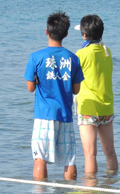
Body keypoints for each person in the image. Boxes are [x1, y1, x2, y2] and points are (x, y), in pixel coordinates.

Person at [24, 11, 84, 181]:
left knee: (40, 157)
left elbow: (30, 88)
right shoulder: (73, 58)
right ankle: (69, 192)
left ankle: (40, 193)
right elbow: (76, 90)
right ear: (66, 34)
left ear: (47, 31)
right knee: (69, 159)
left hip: (44, 114)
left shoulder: (36, 57)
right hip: (65, 115)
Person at [75, 14, 118, 177]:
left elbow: (72, 79)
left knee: (90, 155)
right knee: (110, 152)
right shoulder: (107, 52)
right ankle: (111, 184)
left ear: (84, 34)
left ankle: (90, 189)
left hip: (88, 107)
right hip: (106, 106)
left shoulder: (81, 54)